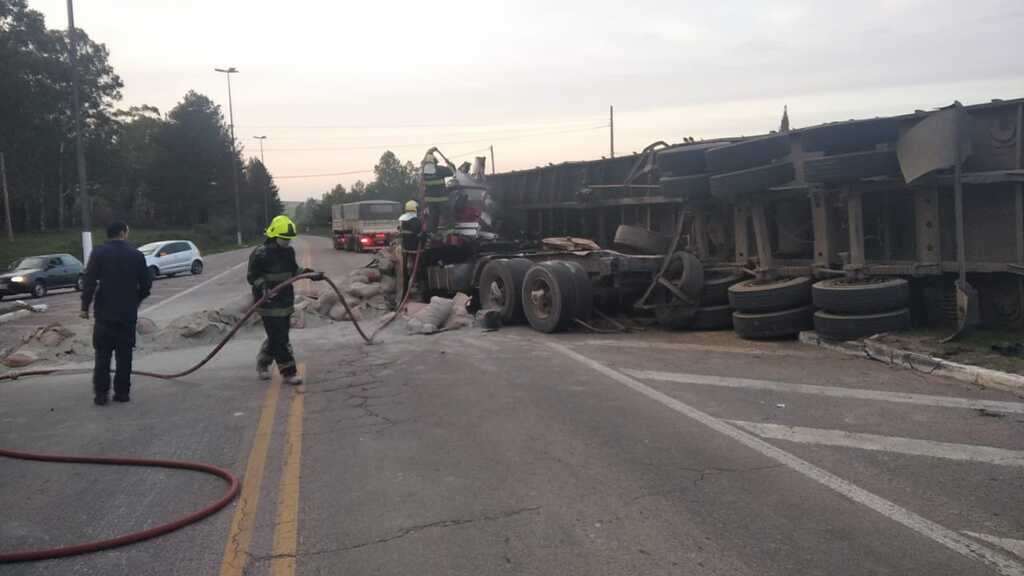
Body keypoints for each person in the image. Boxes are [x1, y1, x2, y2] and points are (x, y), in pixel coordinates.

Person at [80, 221, 152, 406]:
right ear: (122, 233)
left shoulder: (98, 253)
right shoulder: (136, 255)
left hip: (104, 314)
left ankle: (101, 395)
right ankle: (122, 393)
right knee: (124, 355)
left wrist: (84, 307)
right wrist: (134, 302)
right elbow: (146, 285)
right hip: (126, 315)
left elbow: (89, 282)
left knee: (102, 355)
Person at [247, 215, 322, 385]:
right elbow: (252, 277)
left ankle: (263, 362)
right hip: (268, 301)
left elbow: (294, 271)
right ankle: (288, 372)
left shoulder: (288, 252)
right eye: (284, 239)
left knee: (278, 335)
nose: (287, 242)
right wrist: (264, 287)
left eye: (289, 239)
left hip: (285, 300)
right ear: (273, 235)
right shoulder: (260, 253)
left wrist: (312, 274)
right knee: (280, 337)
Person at [421, 150, 455, 231]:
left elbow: (422, 163)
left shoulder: (424, 172)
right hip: (441, 199)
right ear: (434, 161)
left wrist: (428, 152)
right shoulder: (439, 169)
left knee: (433, 217)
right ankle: (449, 231)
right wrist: (448, 162)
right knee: (446, 215)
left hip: (430, 200)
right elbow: (452, 171)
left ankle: (432, 232)